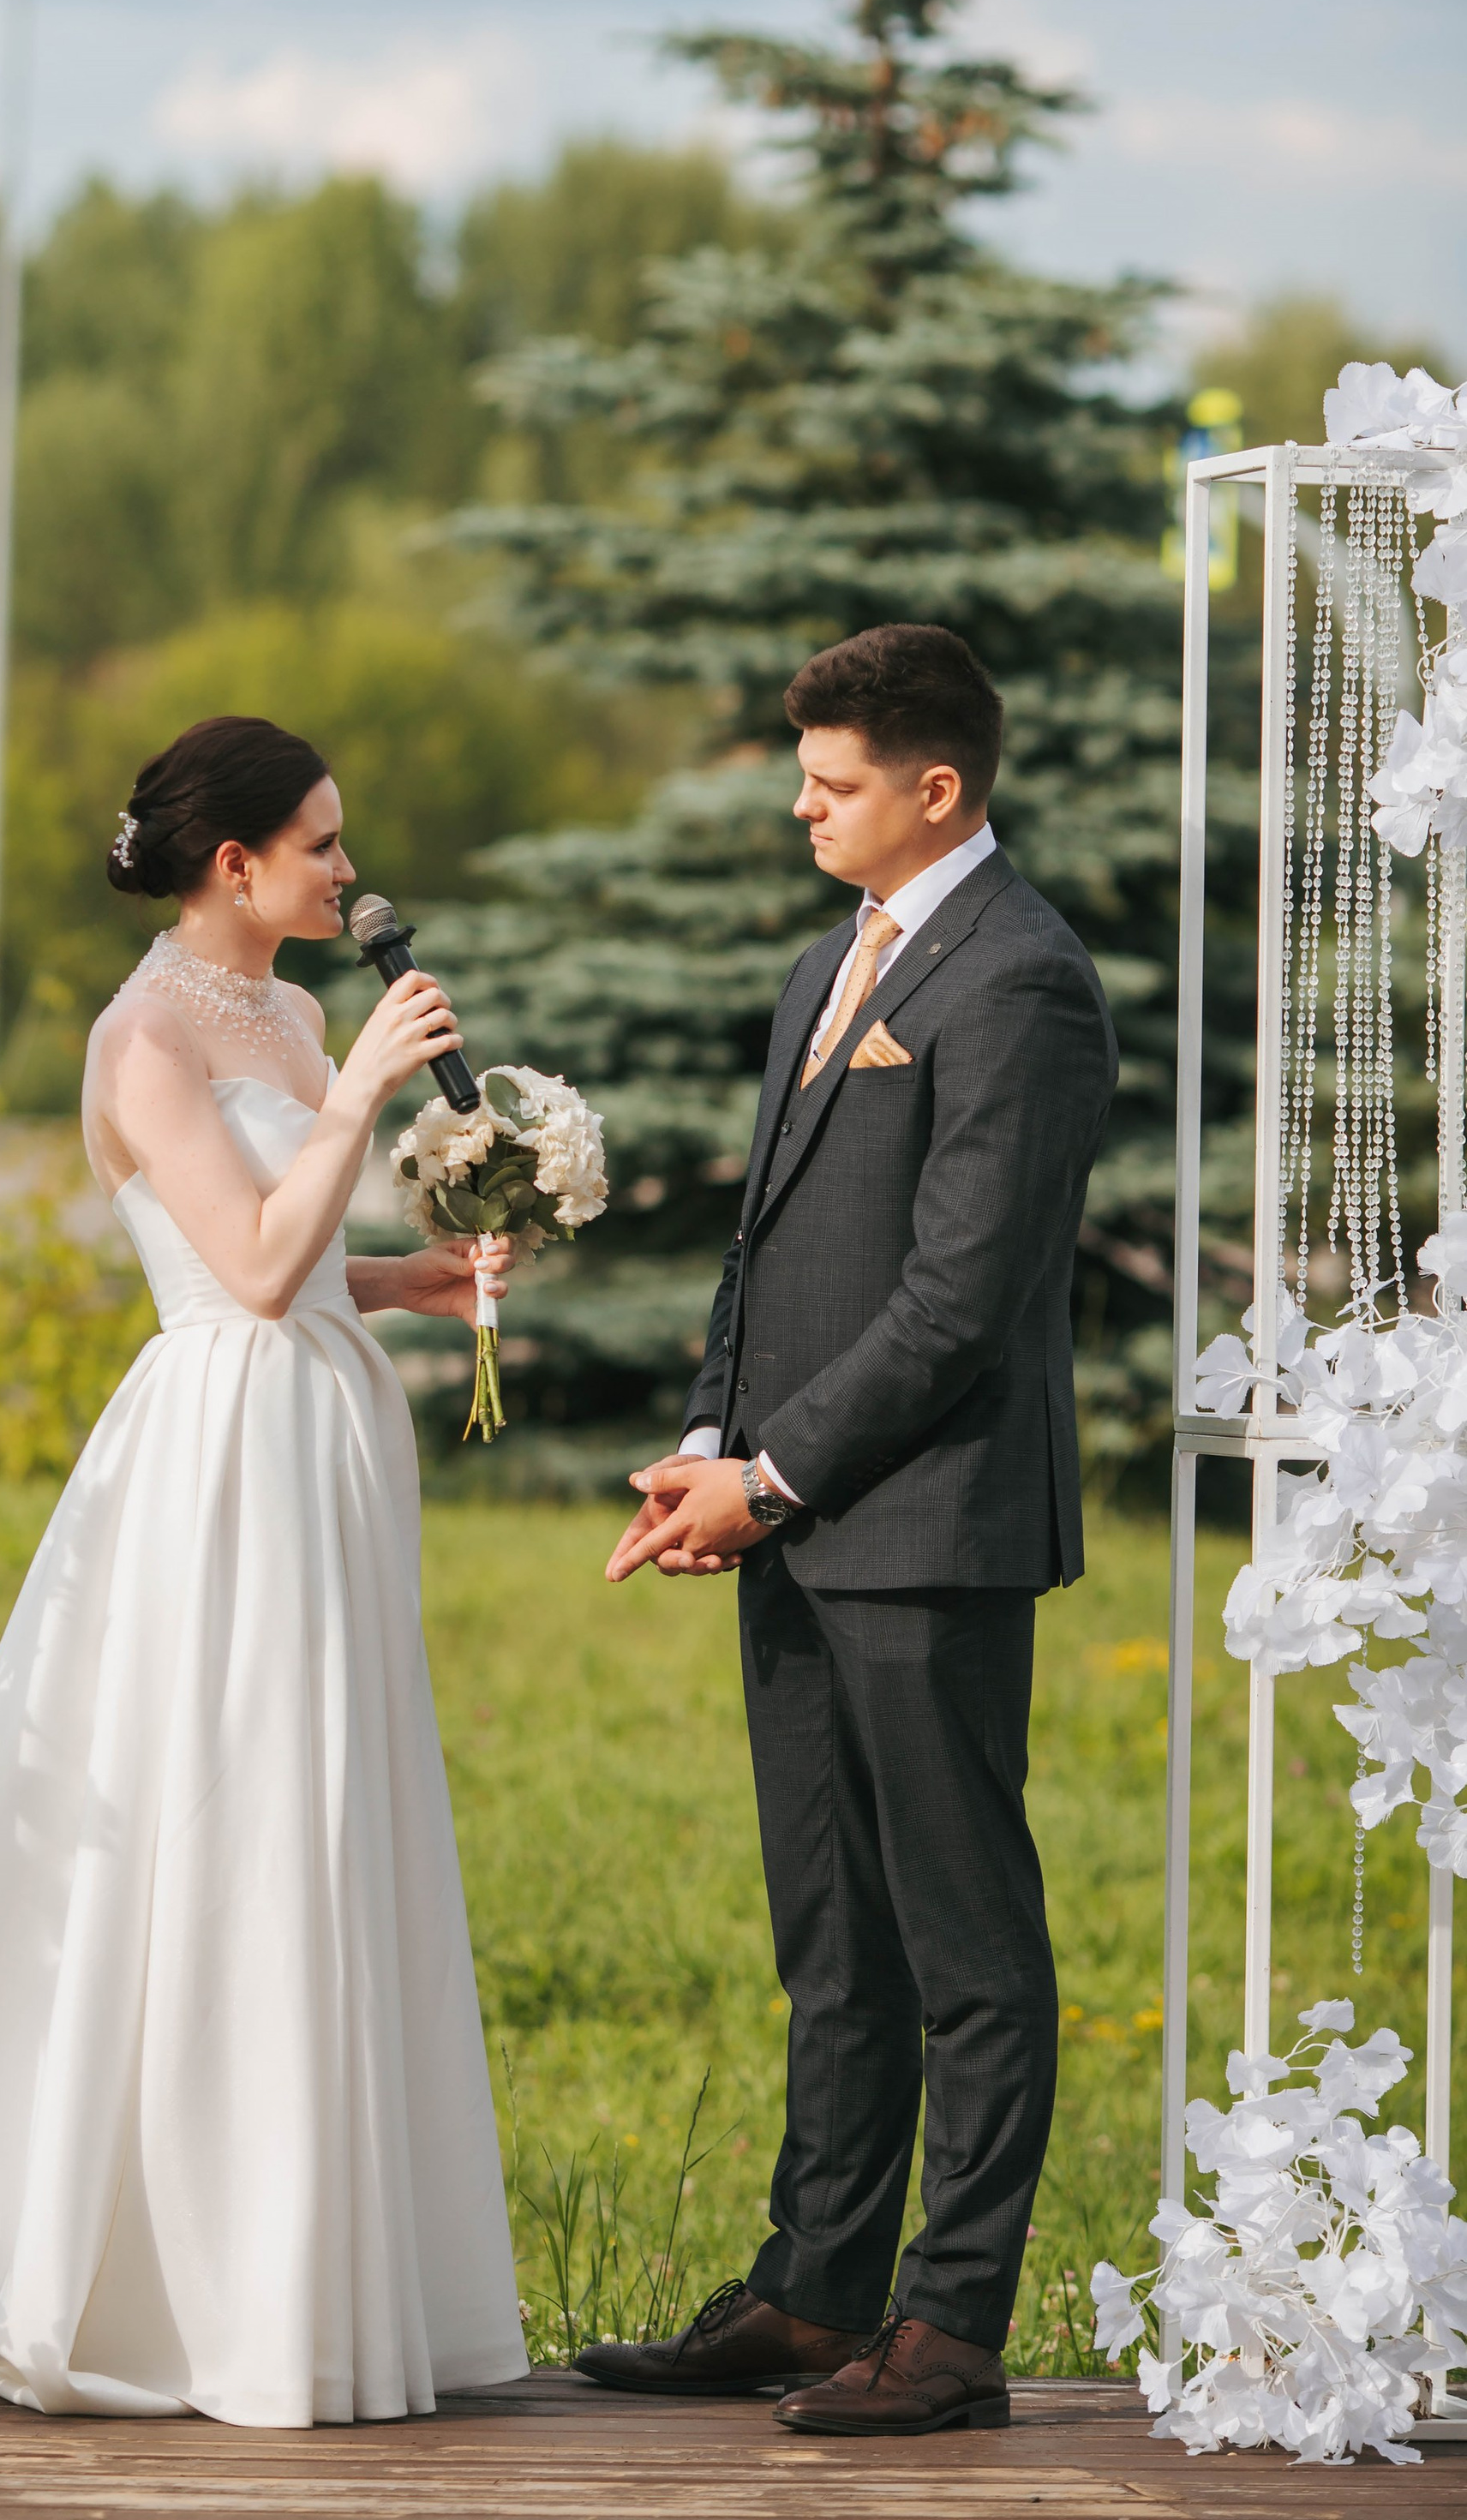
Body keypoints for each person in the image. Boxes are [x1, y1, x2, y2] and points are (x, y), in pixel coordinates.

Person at [0, 715, 529, 2428]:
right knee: (235, 1812)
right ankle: (194, 2296)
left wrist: (426, 1279)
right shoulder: (143, 1038)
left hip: (323, 1431)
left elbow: (307, 1257)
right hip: (222, 1443)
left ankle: (324, 2281)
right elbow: (239, 1270)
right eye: (318, 842)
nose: (345, 868)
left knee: (327, 1817)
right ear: (231, 864)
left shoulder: (293, 1011)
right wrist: (376, 1094)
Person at [578, 625, 1117, 2440]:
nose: (801, 808)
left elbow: (962, 1297)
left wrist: (775, 1473)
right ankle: (815, 2295)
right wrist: (706, 1443)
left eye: (831, 784)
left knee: (960, 1941)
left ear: (934, 787)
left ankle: (946, 2328)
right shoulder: (832, 961)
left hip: (930, 1529)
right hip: (791, 1514)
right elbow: (770, 1244)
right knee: (830, 1935)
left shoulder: (1018, 977)